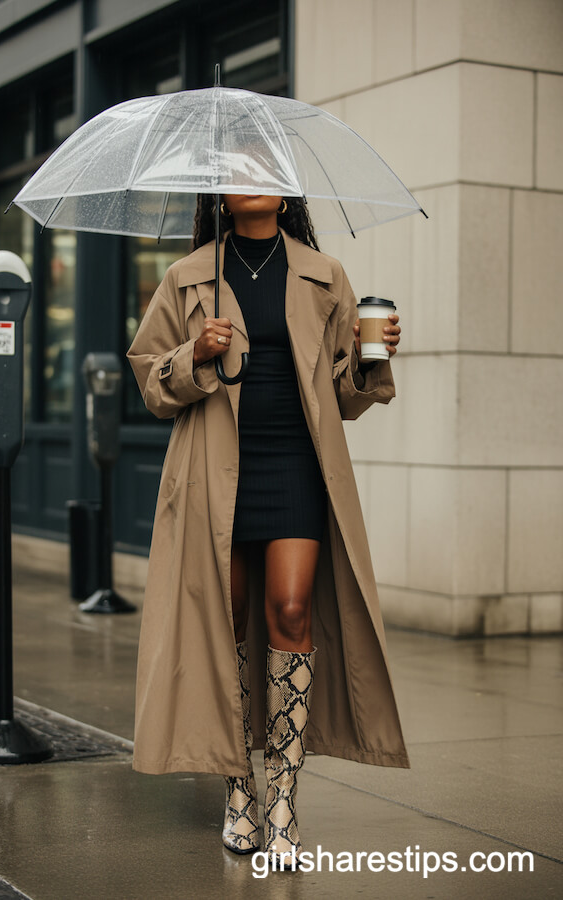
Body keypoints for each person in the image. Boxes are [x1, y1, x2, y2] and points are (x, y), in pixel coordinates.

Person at [127, 194, 408, 865]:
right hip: (212, 474)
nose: (255, 180)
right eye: (240, 170)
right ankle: (238, 790)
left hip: (296, 465)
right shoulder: (188, 275)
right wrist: (194, 351)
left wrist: (373, 358)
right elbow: (149, 381)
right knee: (227, 625)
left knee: (289, 610)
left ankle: (283, 796)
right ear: (220, 194)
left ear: (286, 190)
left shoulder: (325, 274)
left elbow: (345, 393)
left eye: (266, 168)